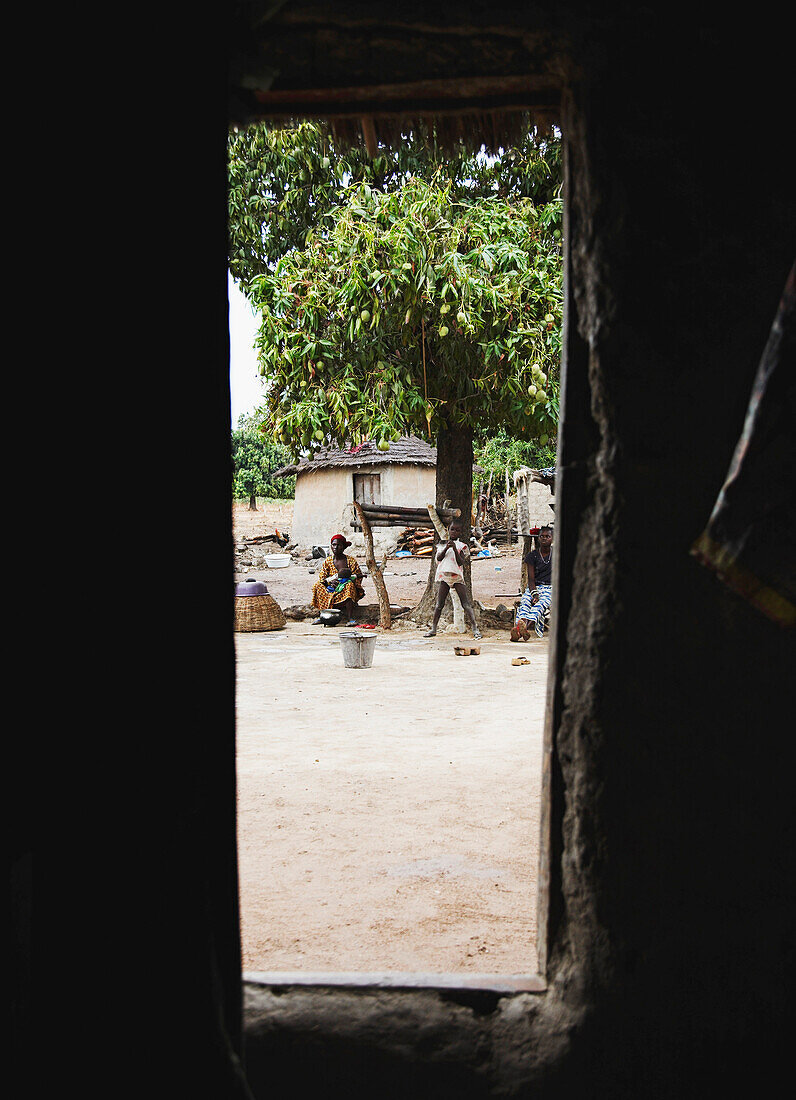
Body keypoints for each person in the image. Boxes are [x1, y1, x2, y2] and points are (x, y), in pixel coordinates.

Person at [423, 521, 482, 639]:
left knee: (466, 604)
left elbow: (461, 562)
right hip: (445, 577)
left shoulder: (462, 546)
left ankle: (475, 628)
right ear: (448, 530)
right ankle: (433, 629)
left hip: (457, 577)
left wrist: (454, 549)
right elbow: (439, 558)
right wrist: (446, 548)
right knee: (439, 604)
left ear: (460, 532)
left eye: (457, 530)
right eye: (452, 529)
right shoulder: (441, 544)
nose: (454, 532)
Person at [511, 525, 554, 641]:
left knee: (540, 604)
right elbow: (531, 579)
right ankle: (522, 629)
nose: (544, 539)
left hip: (551, 589)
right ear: (538, 538)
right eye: (542, 536)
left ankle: (521, 631)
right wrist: (534, 594)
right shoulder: (532, 555)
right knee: (525, 602)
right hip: (534, 587)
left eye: (547, 536)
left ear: (553, 538)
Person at [311, 534, 365, 626]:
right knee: (317, 586)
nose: (335, 547)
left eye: (338, 545)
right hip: (330, 590)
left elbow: (357, 577)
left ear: (343, 547)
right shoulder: (327, 561)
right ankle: (323, 616)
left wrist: (346, 581)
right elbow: (322, 578)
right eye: (333, 545)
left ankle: (350, 618)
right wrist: (330, 582)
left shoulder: (351, 561)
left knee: (349, 586)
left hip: (344, 591)